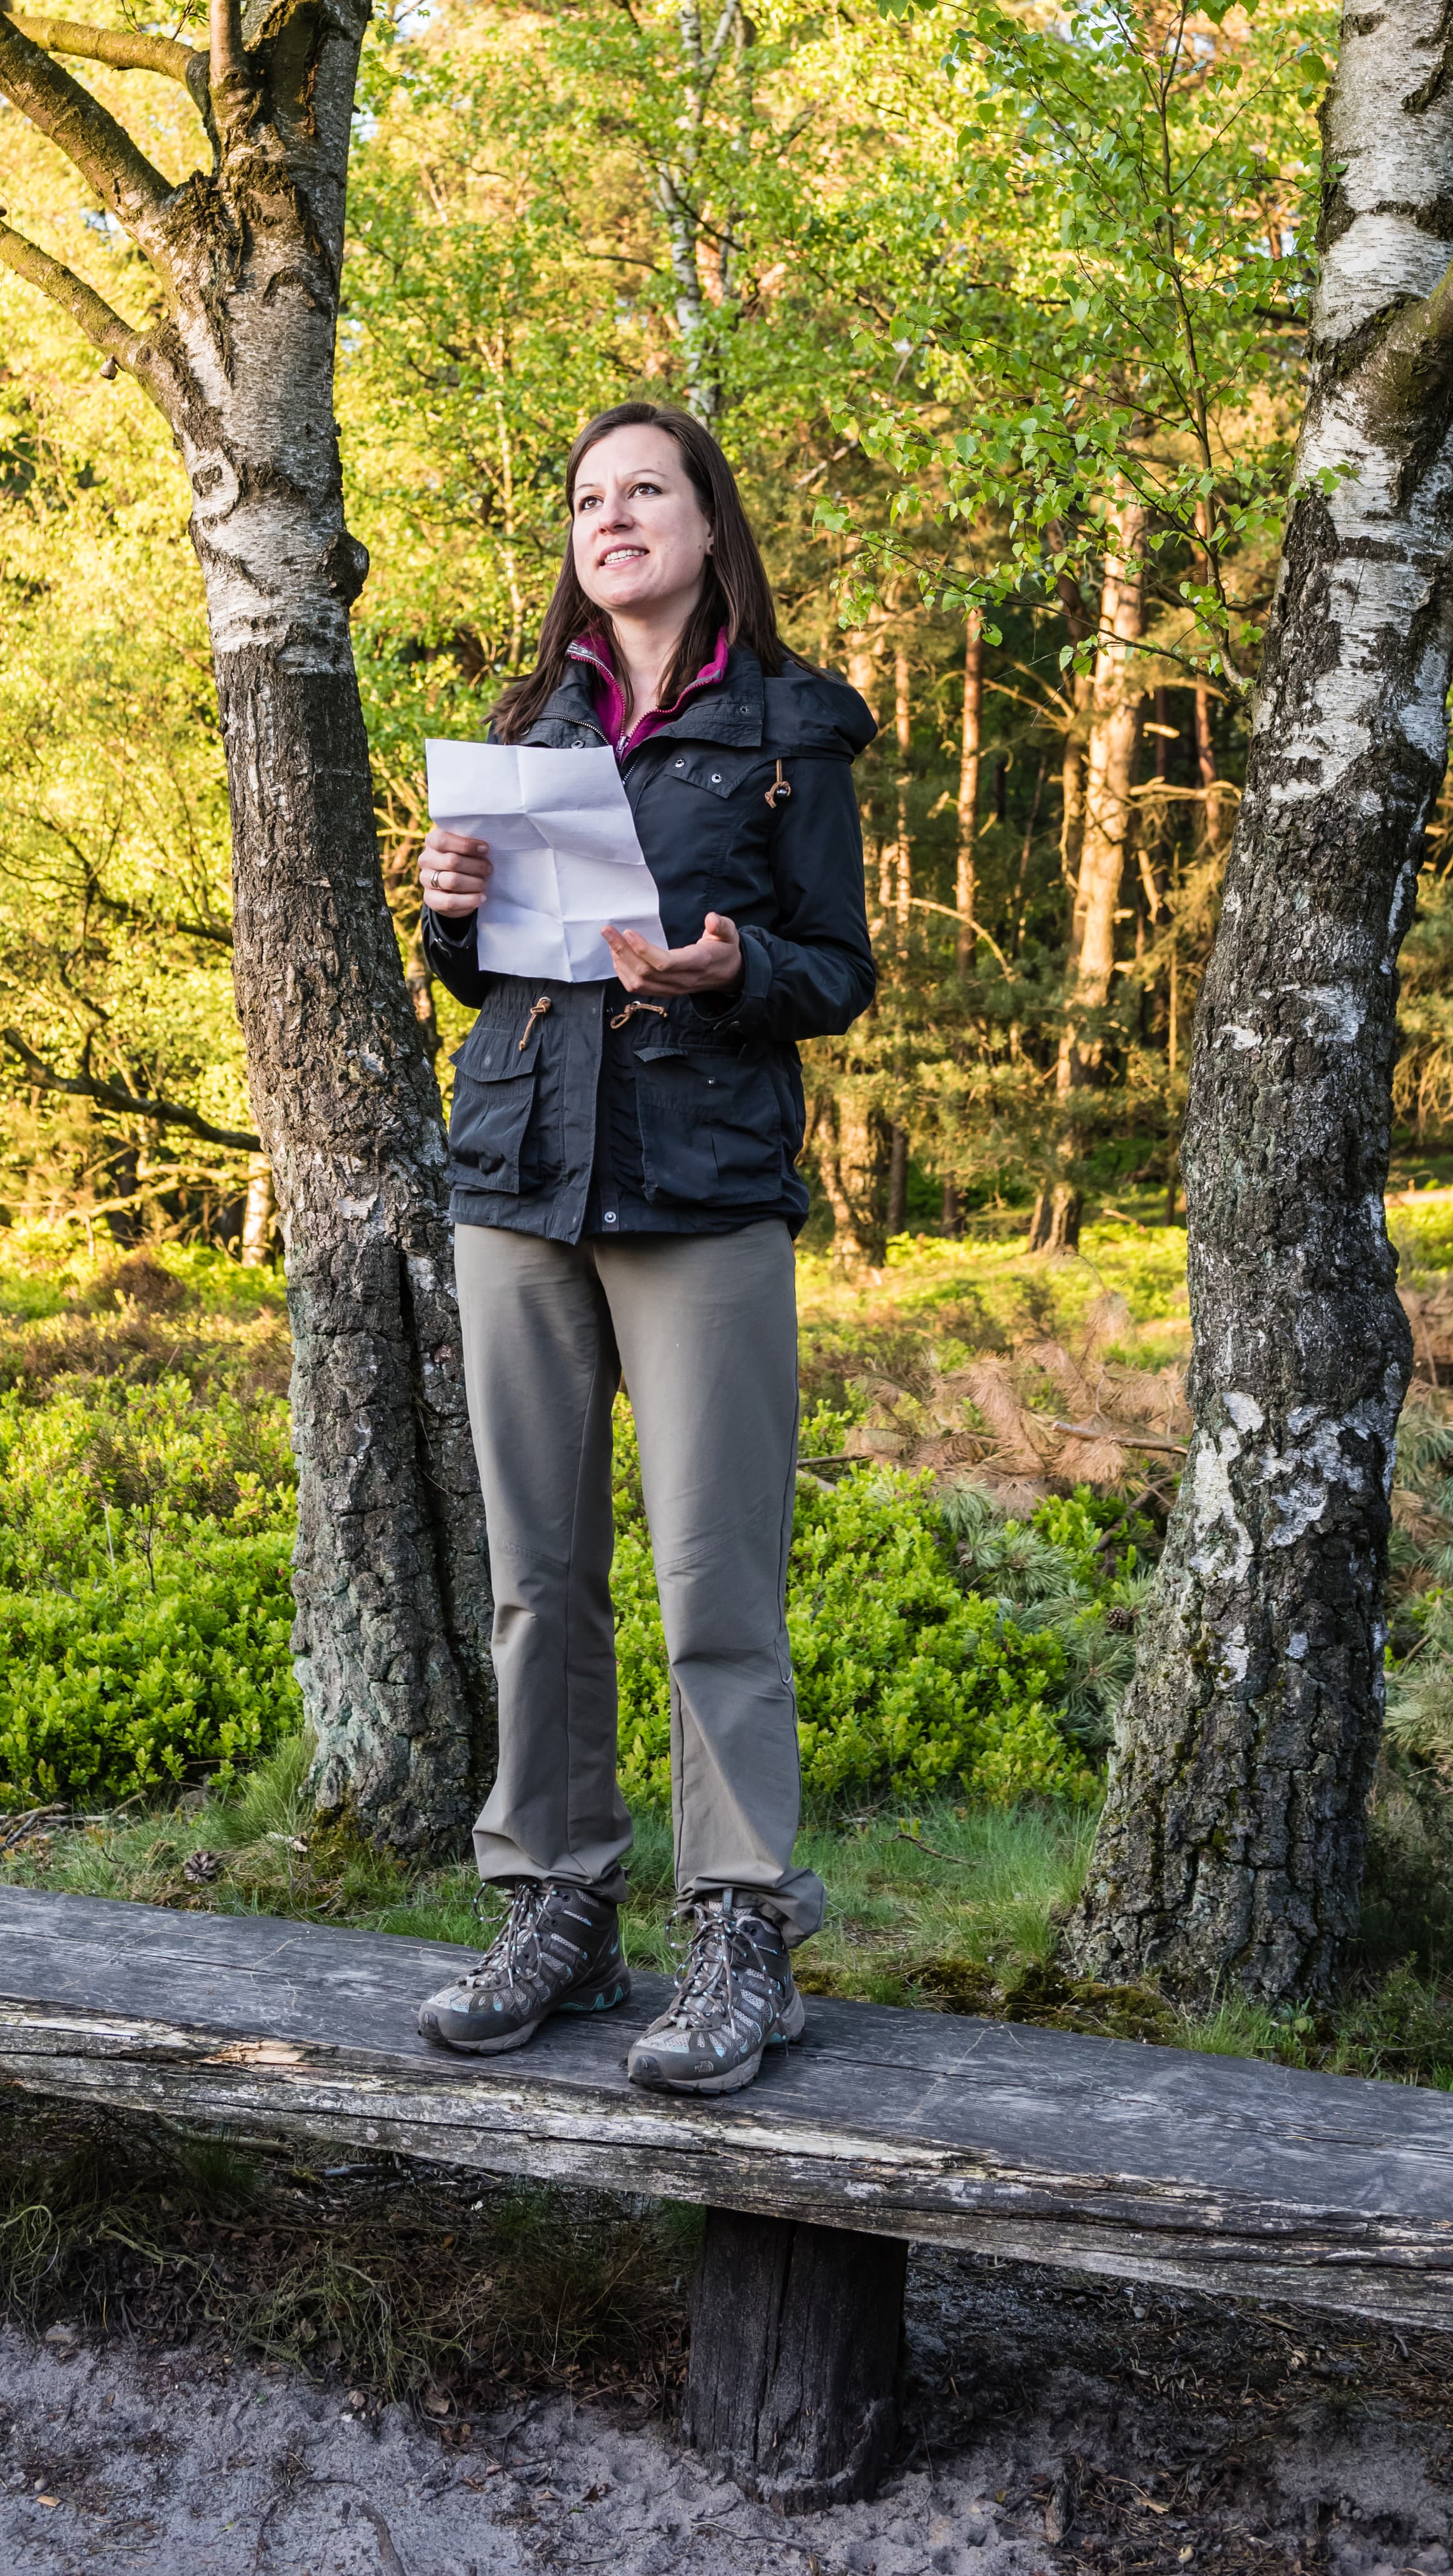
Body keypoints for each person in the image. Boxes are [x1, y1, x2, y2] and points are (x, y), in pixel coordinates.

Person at [413, 400, 877, 2096]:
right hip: (519, 1183)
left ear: (705, 519)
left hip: (702, 1188)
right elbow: (482, 973)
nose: (611, 519)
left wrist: (729, 961)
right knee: (538, 1578)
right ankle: (559, 1908)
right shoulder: (536, 721)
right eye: (587, 497)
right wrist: (447, 903)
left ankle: (741, 1928)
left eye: (644, 492)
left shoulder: (783, 725)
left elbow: (837, 967)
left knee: (714, 1588)